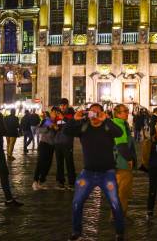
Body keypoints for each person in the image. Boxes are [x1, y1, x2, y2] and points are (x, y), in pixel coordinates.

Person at [64, 103, 124, 241]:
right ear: (88, 114)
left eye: (98, 113)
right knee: (76, 203)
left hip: (107, 173)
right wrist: (75, 119)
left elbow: (119, 132)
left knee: (115, 203)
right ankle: (76, 232)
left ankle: (120, 233)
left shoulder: (107, 127)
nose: (94, 116)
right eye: (92, 112)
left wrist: (107, 120)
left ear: (102, 113)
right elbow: (66, 131)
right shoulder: (84, 127)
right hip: (88, 173)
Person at [112, 103, 137, 215]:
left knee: (122, 190)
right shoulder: (119, 125)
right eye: (125, 111)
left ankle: (120, 213)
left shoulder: (122, 123)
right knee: (123, 190)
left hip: (120, 161)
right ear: (117, 114)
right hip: (122, 162)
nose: (128, 113)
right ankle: (119, 215)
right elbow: (121, 145)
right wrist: (129, 159)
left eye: (127, 110)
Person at [55, 98, 76, 190]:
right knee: (59, 163)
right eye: (61, 105)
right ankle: (60, 181)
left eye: (64, 105)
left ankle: (71, 182)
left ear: (67, 105)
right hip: (58, 142)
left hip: (67, 142)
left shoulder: (71, 114)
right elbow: (51, 124)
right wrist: (47, 121)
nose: (62, 107)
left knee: (69, 162)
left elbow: (72, 124)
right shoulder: (57, 115)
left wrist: (63, 117)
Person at [32, 110, 57, 190]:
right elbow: (38, 130)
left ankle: (41, 181)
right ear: (51, 113)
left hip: (51, 146)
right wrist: (48, 127)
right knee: (40, 163)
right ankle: (35, 181)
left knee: (48, 165)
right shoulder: (47, 121)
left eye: (57, 113)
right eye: (54, 113)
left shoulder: (59, 122)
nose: (55, 114)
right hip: (44, 144)